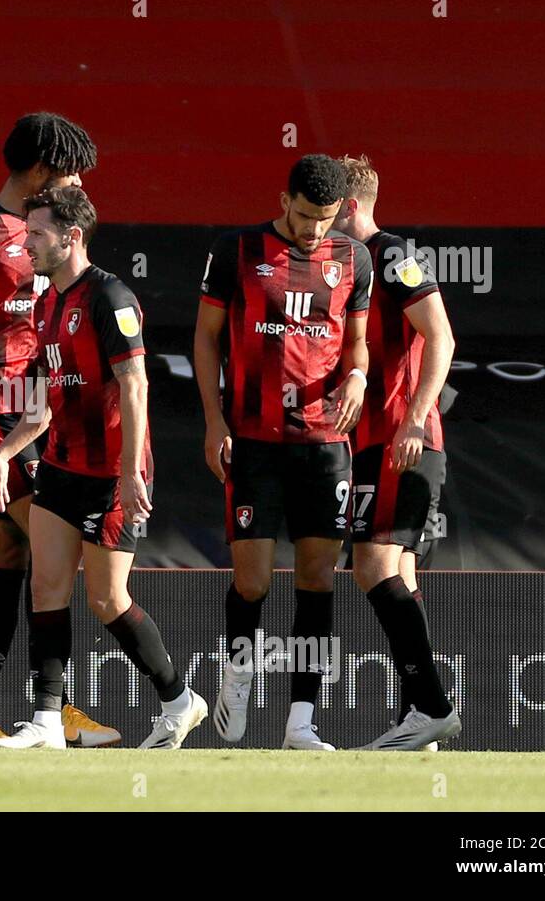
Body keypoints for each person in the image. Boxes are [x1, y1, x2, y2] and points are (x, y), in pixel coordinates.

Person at [0, 186, 207, 750]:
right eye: (25, 232)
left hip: (112, 472)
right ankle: (45, 723)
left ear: (72, 236)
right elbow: (47, 400)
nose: (26, 243)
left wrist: (132, 473)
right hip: (59, 464)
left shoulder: (110, 296)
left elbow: (135, 385)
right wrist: (6, 450)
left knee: (107, 599)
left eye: (37, 233)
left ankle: (180, 700)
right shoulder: (44, 302)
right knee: (45, 589)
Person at [0, 112, 118, 748]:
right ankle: (43, 712)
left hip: (40, 411)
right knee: (42, 552)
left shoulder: (51, 233)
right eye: (69, 171)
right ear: (39, 173)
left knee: (18, 558)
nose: (79, 181)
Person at [194, 154, 371, 750]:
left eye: (324, 220)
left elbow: (360, 346)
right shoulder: (237, 249)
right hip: (253, 440)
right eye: (303, 216)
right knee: (252, 583)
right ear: (283, 199)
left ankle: (301, 721)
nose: (313, 230)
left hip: (325, 444)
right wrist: (214, 418)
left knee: (318, 579)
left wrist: (358, 378)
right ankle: (237, 677)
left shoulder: (355, 259)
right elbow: (205, 339)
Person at [333, 154, 461, 750]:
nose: (323, 221)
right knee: (399, 574)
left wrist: (412, 419)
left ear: (352, 206)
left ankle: (433, 708)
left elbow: (441, 335)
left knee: (373, 568)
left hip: (398, 438)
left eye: (332, 207)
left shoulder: (391, 255)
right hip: (372, 440)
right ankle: (423, 721)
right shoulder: (347, 265)